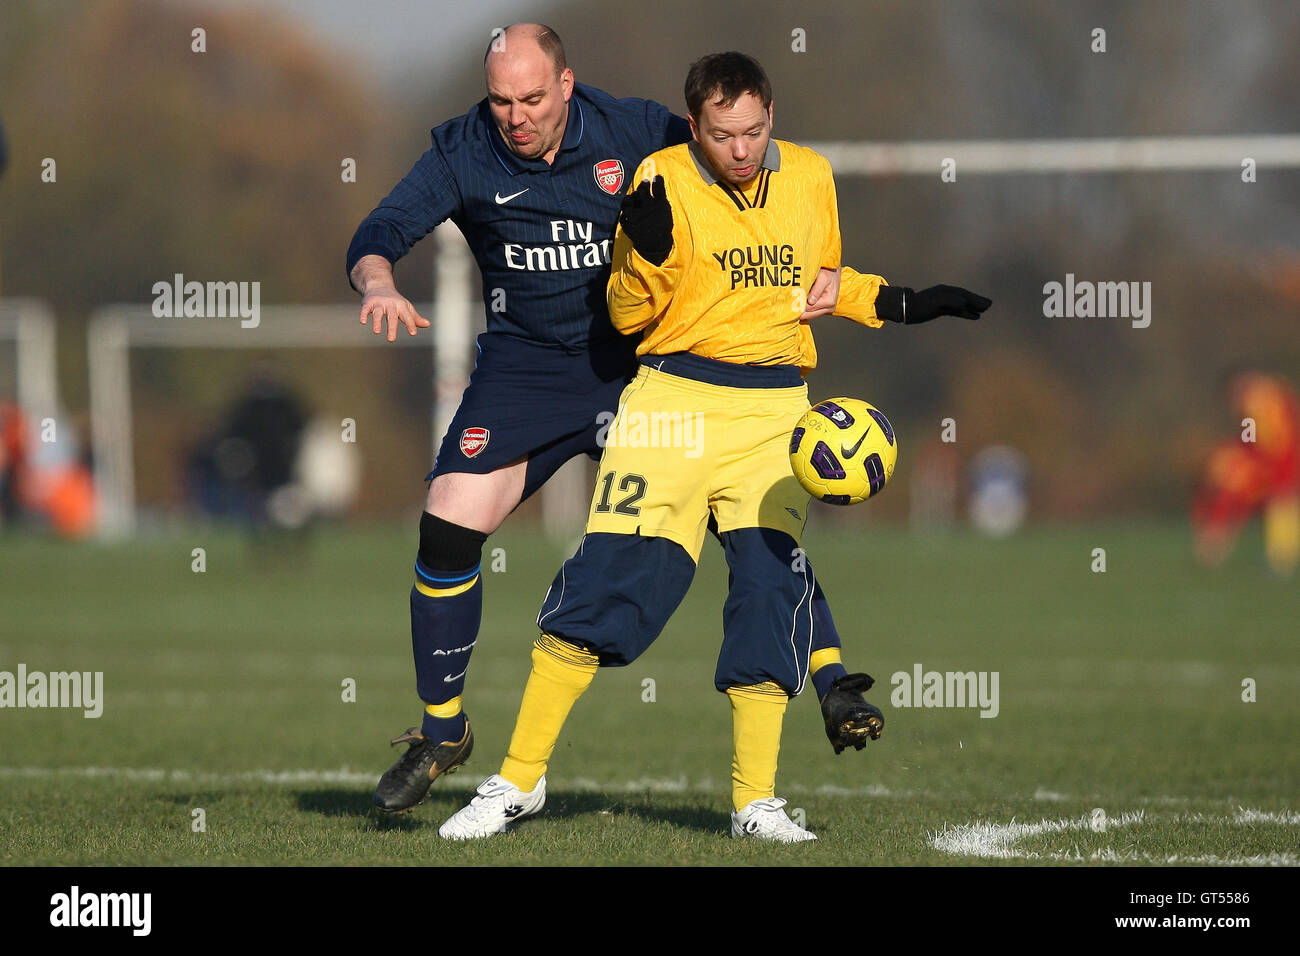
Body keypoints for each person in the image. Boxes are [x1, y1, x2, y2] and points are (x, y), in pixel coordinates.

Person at [438, 51, 991, 842]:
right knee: (606, 589)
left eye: (756, 131)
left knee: (769, 594)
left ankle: (753, 804)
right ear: (693, 125)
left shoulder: (809, 178)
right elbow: (628, 317)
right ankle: (518, 783)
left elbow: (816, 289)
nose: (742, 150)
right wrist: (646, 254)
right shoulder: (658, 180)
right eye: (724, 135)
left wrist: (899, 302)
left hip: (775, 419)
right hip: (671, 407)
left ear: (773, 119)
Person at [347, 26, 881, 815]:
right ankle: (444, 731)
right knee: (446, 526)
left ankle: (831, 679)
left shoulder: (632, 128)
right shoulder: (464, 150)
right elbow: (380, 231)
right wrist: (377, 282)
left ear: (567, 85)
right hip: (526, 369)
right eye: (502, 101)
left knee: (755, 519)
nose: (517, 116)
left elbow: (733, 151)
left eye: (533, 98)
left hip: (641, 368)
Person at [1193, 371, 1299, 576]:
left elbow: (1252, 439)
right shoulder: (1277, 392)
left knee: (1276, 499)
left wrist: (1243, 455)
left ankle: (1278, 559)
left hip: (1277, 458)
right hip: (1282, 456)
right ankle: (1279, 558)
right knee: (1281, 502)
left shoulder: (1253, 400)